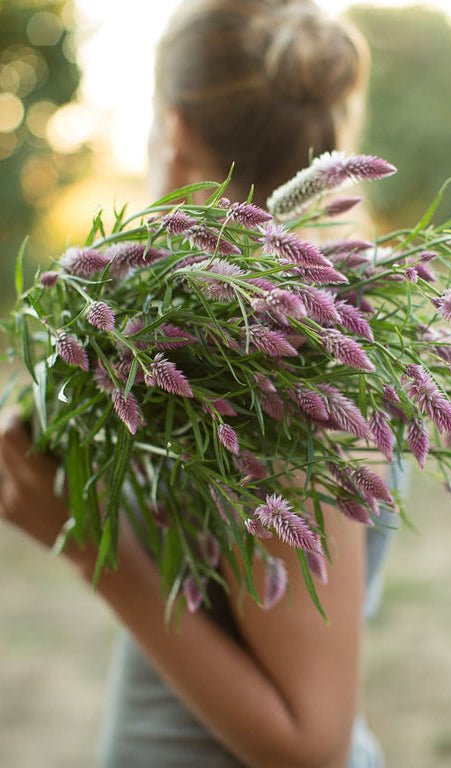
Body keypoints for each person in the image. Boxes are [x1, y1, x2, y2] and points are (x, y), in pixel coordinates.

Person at [0, 2, 401, 766]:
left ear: (173, 133)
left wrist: (95, 552)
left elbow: (308, 743)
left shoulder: (277, 372)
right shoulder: (228, 339)